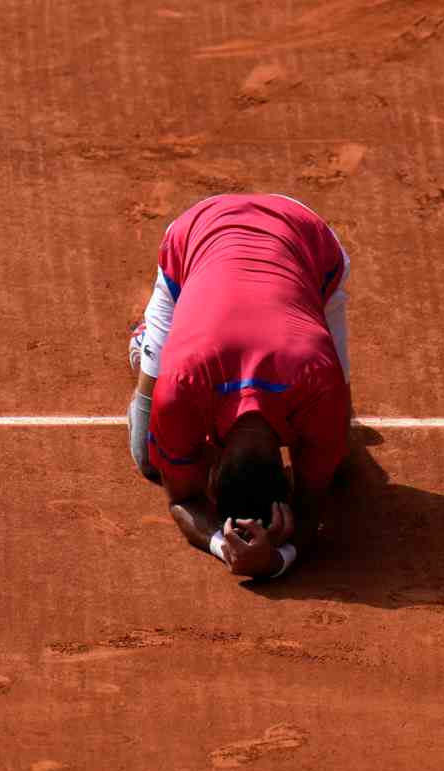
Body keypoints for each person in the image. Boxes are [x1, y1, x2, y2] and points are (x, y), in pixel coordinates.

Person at [126, 194, 352, 580]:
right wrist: (258, 551)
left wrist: (272, 558)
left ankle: (153, 346)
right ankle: (145, 340)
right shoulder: (180, 387)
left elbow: (185, 502)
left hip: (307, 243)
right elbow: (311, 510)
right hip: (196, 239)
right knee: (147, 457)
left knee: (341, 464)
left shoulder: (320, 385)